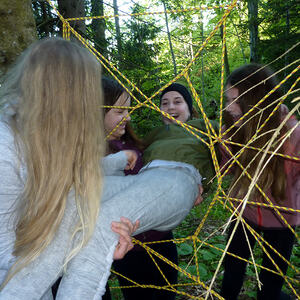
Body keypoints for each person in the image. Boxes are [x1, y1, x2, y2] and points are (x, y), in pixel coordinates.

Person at [0, 38, 205, 299]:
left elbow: (78, 196)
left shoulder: (52, 138)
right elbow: (7, 251)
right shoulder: (7, 147)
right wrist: (84, 249)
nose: (88, 104)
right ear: (64, 93)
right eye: (88, 94)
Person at [219, 63, 300, 300]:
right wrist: (225, 145)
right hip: (244, 212)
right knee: (233, 268)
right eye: (227, 99)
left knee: (272, 280)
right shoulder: (235, 128)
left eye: (236, 100)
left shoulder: (291, 133)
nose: (229, 107)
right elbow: (227, 168)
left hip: (281, 219)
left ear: (256, 100)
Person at [102, 77, 179, 300]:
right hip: (132, 251)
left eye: (128, 110)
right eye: (119, 111)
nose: (128, 116)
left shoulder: (131, 142)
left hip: (163, 240)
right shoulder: (92, 153)